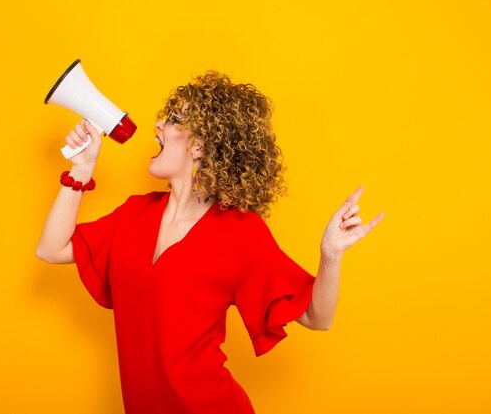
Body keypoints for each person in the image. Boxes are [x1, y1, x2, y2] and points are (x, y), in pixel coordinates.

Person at [36, 71, 384, 414]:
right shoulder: (134, 214)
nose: (157, 126)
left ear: (201, 144)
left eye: (172, 121)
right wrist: (80, 169)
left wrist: (331, 254)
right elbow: (52, 249)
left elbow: (316, 317)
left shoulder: (239, 233)